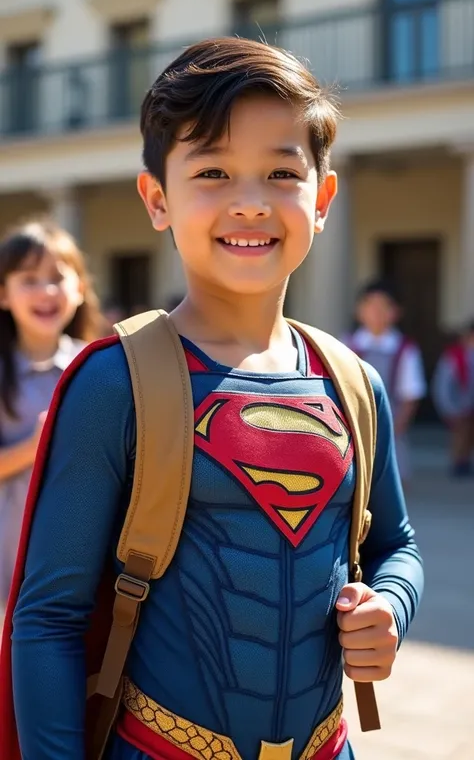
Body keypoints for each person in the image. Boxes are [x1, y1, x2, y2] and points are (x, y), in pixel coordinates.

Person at [7, 38, 423, 760]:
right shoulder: (115, 385)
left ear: (322, 198)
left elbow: (397, 546)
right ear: (158, 199)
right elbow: (48, 620)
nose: (251, 202)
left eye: (281, 173)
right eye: (213, 171)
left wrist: (390, 606)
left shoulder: (355, 383)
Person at [0, 219, 101, 606]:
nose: (45, 291)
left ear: (79, 288)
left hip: (78, 557)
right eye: (28, 279)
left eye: (57, 277)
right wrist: (33, 447)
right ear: (4, 294)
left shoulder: (101, 367)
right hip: (9, 559)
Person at [343, 280, 426, 485]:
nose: (376, 312)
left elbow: (410, 394)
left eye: (384, 307)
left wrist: (395, 429)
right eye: (371, 306)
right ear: (360, 311)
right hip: (350, 425)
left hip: (391, 427)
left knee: (391, 485)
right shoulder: (345, 346)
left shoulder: (405, 349)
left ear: (396, 312)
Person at [432, 320, 474, 476]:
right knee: (460, 433)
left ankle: (466, 460)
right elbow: (443, 384)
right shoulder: (454, 356)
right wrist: (449, 407)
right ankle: (458, 462)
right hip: (460, 404)